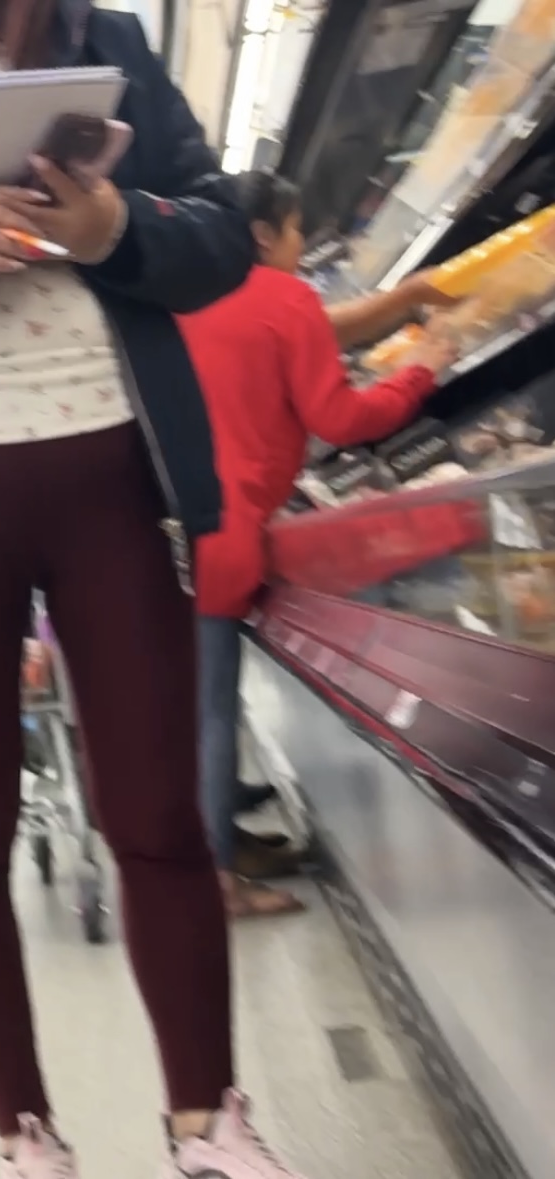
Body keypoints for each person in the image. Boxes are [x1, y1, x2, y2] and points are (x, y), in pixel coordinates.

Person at [0, 3, 314, 1178]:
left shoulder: (98, 35)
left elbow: (220, 237)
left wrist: (114, 226)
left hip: (117, 475)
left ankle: (205, 1124)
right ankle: (25, 1137)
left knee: (158, 817)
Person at [179, 169, 458, 917]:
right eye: (297, 229)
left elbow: (302, 338)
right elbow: (339, 419)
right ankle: (218, 881)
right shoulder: (282, 296)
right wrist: (420, 373)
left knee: (193, 705)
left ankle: (221, 837)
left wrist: (402, 301)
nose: (302, 245)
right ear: (262, 234)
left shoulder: (191, 296)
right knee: (210, 709)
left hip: (175, 527)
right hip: (228, 532)